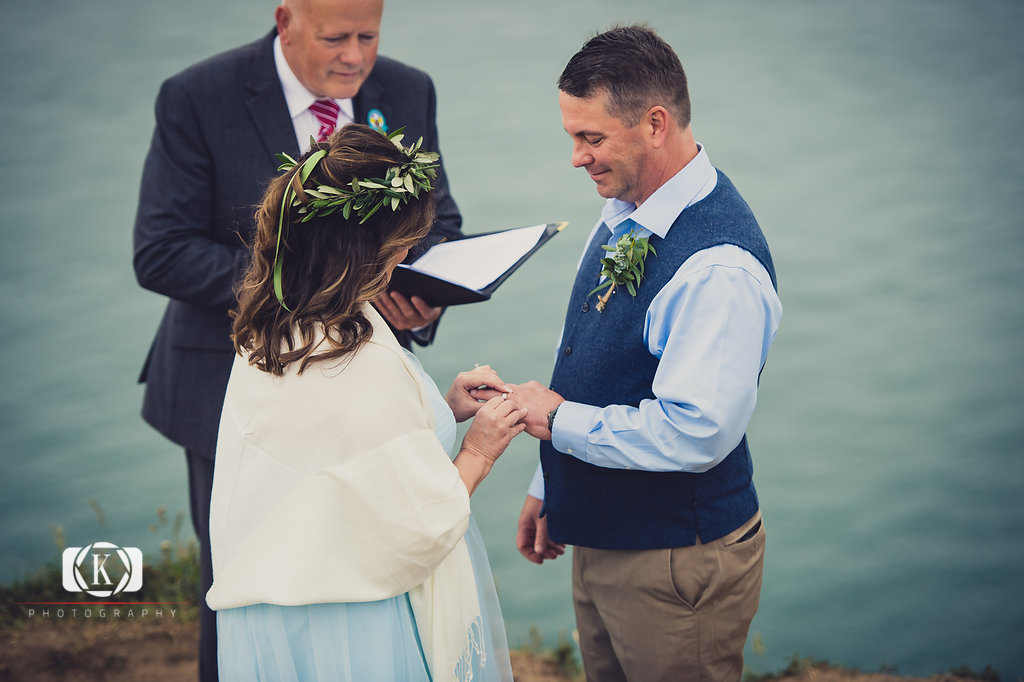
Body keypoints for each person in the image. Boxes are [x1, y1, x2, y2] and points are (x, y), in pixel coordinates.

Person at [131, 1, 461, 677]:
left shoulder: (409, 89)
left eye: (368, 36)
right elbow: (161, 251)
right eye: (335, 37)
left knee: (367, 567)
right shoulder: (198, 96)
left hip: (363, 388)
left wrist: (426, 295)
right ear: (286, 21)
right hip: (232, 390)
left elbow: (437, 222)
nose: (355, 56)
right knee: (242, 581)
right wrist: (319, 286)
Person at [507, 25, 783, 681]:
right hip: (602, 538)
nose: (576, 157)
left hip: (675, 563)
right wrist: (552, 479)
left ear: (655, 123)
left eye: (591, 138)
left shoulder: (718, 269)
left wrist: (555, 423)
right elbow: (591, 354)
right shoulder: (627, 209)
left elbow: (696, 432)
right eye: (572, 136)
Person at [205, 124, 523, 681]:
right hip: (350, 628)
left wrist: (442, 407)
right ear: (365, 251)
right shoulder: (357, 361)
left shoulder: (280, 322)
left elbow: (344, 455)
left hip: (282, 596)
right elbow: (419, 522)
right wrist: (481, 447)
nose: (407, 256)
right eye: (403, 245)